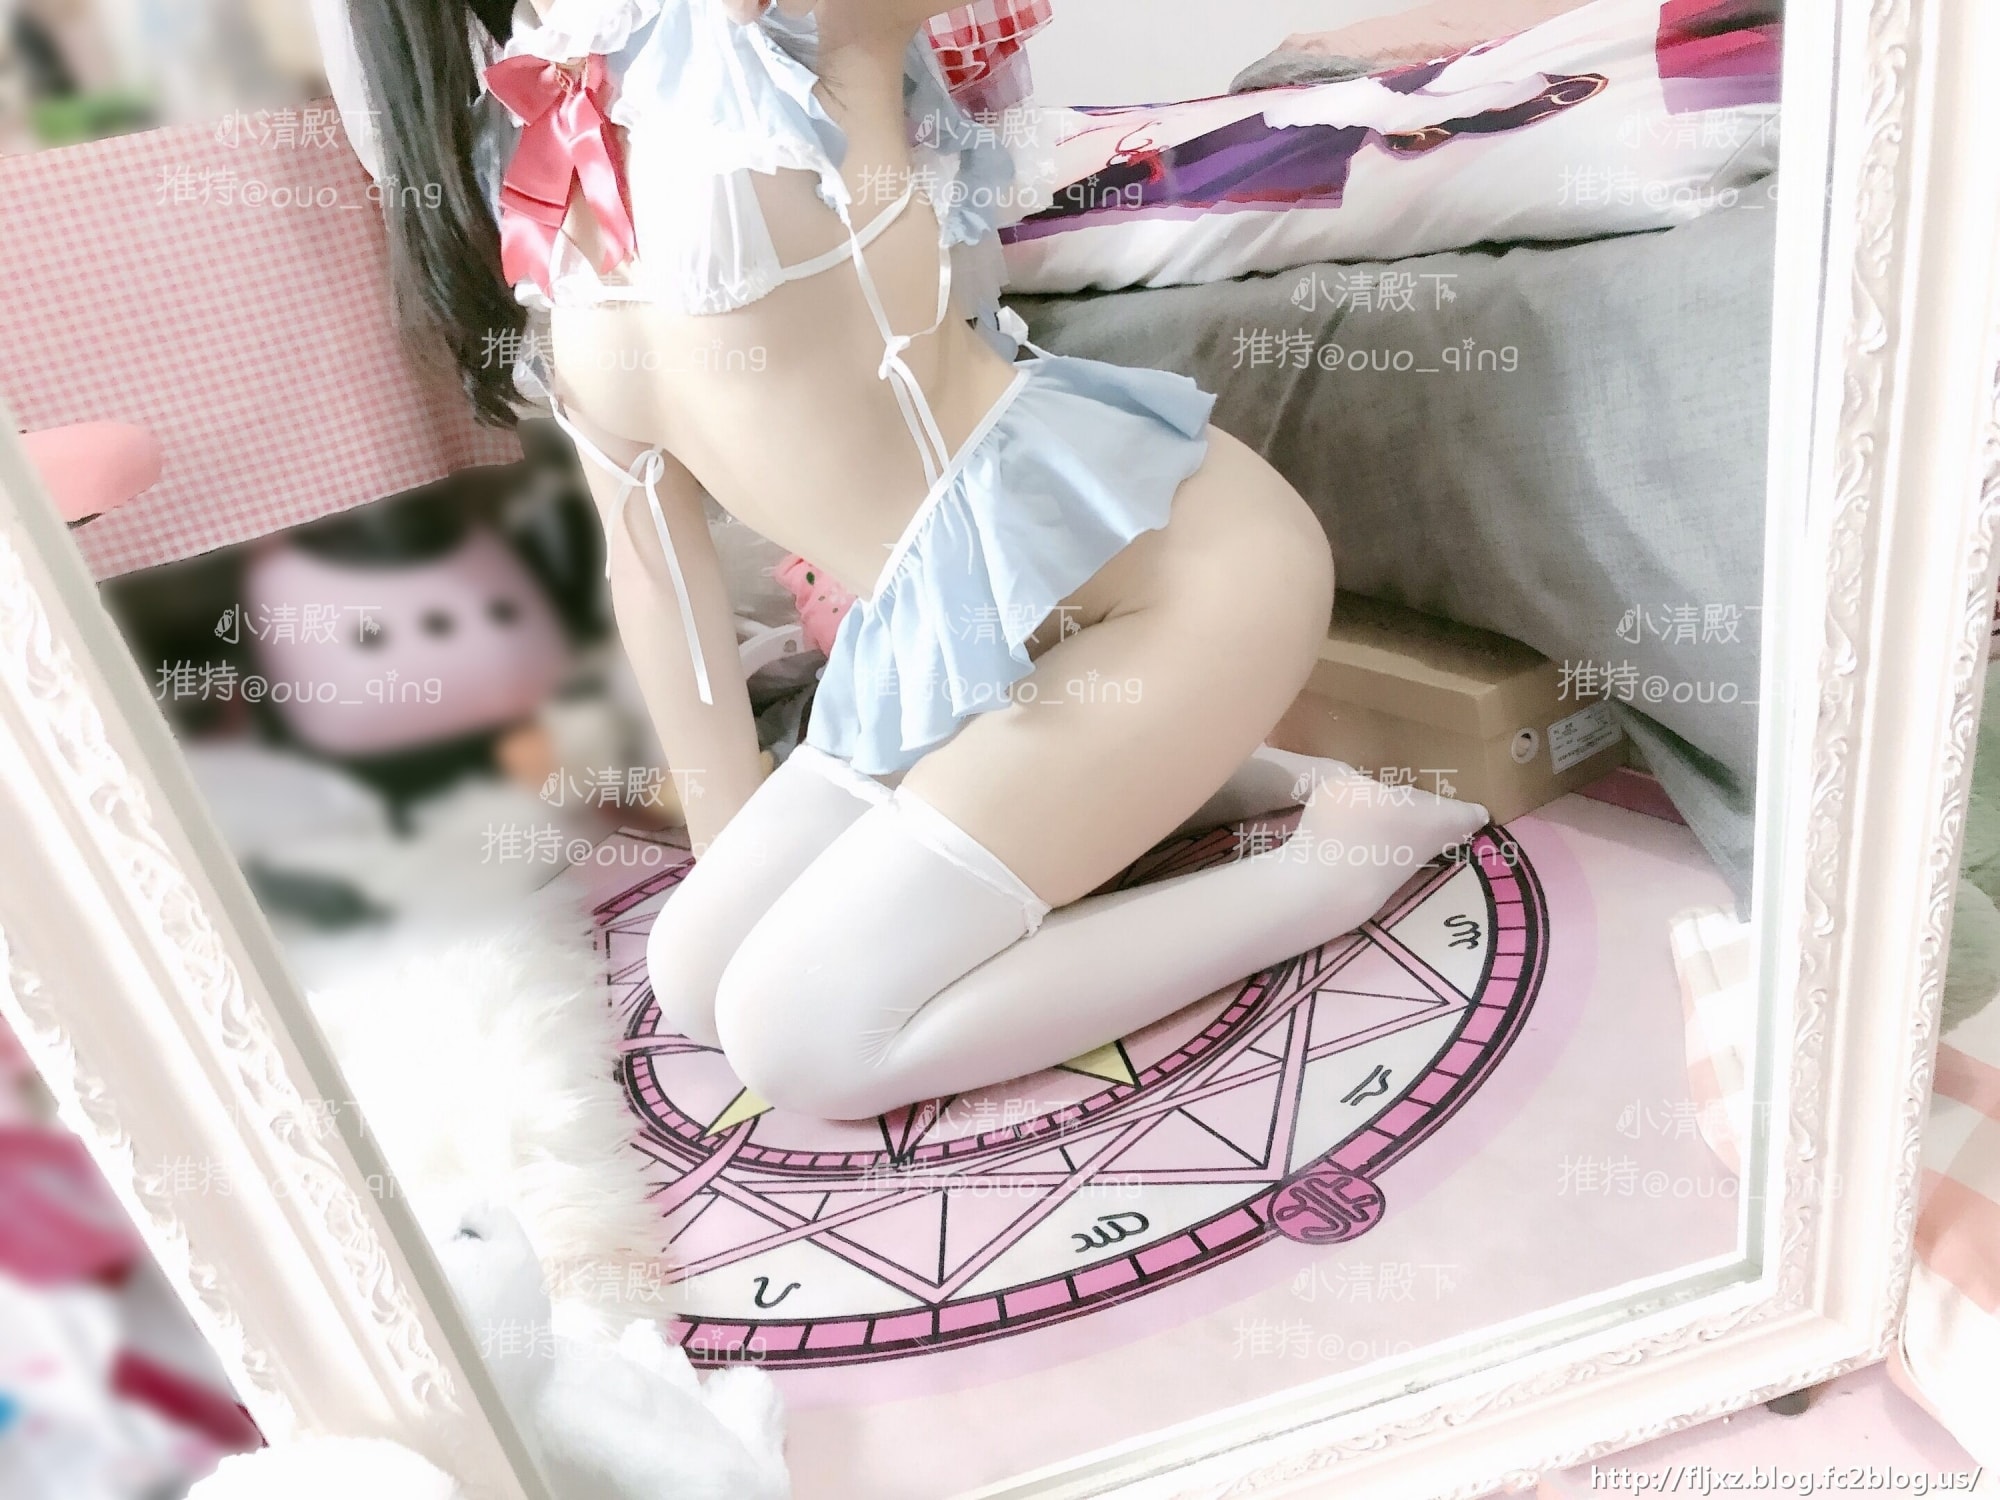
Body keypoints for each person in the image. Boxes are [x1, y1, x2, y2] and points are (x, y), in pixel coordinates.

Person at [335, 0, 1488, 1120]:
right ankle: (1180, 780)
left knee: (803, 1042)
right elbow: (652, 570)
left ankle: (1335, 863)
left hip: (1182, 588)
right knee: (695, 978)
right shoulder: (542, 136)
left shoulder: (793, 39)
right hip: (947, 652)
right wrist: (734, 860)